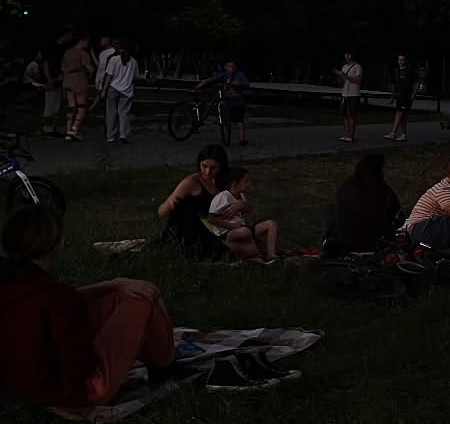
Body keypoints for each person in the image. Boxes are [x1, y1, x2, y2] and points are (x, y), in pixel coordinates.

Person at [0, 206, 178, 409]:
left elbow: (58, 300)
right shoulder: (55, 298)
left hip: (15, 387)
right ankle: (165, 370)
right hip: (76, 392)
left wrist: (112, 284)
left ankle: (164, 366)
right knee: (142, 298)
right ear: (55, 243)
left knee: (120, 295)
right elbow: (80, 364)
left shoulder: (15, 283)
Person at [158, 145, 232, 262]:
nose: (208, 172)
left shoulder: (225, 182)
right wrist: (170, 205)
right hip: (191, 230)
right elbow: (162, 210)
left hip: (217, 226)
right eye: (204, 166)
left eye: (213, 168)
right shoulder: (192, 182)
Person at [329, 152, 402, 255]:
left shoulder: (347, 185)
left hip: (343, 239)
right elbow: (396, 216)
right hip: (368, 243)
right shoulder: (381, 191)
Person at [206, 166, 280, 263]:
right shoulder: (223, 197)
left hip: (243, 229)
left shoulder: (241, 196)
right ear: (235, 184)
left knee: (271, 223)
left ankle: (271, 253)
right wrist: (232, 226)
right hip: (227, 233)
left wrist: (243, 206)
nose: (249, 184)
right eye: (246, 181)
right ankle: (256, 254)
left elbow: (249, 211)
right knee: (245, 231)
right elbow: (211, 219)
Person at [96, 40, 138, 144]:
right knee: (124, 113)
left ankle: (111, 136)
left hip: (113, 88)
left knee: (111, 113)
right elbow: (135, 77)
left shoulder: (114, 59)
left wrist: (104, 90)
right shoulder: (133, 61)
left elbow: (109, 76)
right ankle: (123, 134)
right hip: (127, 90)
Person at [203, 61, 251, 147]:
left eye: (232, 66)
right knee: (226, 120)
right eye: (229, 66)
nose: (231, 68)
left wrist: (238, 85)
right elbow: (213, 79)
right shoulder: (223, 75)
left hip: (238, 101)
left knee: (240, 120)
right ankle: (226, 137)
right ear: (225, 67)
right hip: (227, 101)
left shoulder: (240, 75)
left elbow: (246, 85)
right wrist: (203, 83)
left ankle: (242, 139)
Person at [60, 34, 95, 141]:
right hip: (79, 80)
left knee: (71, 107)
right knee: (81, 107)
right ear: (82, 41)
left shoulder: (67, 52)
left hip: (68, 80)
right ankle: (74, 129)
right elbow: (89, 68)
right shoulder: (83, 53)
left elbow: (63, 67)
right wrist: (91, 73)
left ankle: (68, 131)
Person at [385, 53, 422, 142]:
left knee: (399, 113)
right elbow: (393, 83)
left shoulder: (410, 71)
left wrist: (413, 94)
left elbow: (416, 83)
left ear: (406, 60)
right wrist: (392, 96)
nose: (400, 61)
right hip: (399, 96)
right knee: (403, 116)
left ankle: (393, 133)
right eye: (399, 59)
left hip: (406, 96)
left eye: (402, 59)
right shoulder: (396, 71)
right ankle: (403, 135)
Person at [335, 50, 363, 143]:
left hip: (353, 94)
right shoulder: (344, 66)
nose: (347, 56)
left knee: (351, 116)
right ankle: (346, 134)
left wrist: (345, 76)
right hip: (344, 94)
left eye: (349, 54)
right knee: (344, 115)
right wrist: (339, 76)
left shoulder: (357, 66)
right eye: (345, 54)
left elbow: (358, 80)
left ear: (352, 55)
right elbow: (341, 83)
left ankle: (351, 136)